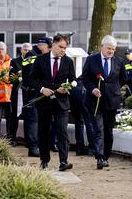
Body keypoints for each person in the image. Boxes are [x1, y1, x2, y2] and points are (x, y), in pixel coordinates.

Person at [29, 34, 76, 171]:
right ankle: (44, 161)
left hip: (61, 102)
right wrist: (42, 89)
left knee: (62, 131)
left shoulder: (68, 61)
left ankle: (63, 161)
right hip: (44, 102)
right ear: (53, 45)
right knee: (43, 132)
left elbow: (74, 80)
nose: (63, 50)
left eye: (65, 48)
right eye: (61, 47)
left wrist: (67, 88)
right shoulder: (40, 60)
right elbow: (31, 79)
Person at [81, 35, 126, 170]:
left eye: (113, 49)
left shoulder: (119, 61)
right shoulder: (91, 59)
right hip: (95, 101)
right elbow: (85, 77)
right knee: (98, 129)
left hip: (112, 101)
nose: (111, 51)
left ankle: (106, 156)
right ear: (102, 47)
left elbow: (123, 79)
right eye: (109, 49)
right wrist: (93, 88)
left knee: (108, 130)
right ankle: (99, 157)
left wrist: (113, 90)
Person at [21, 37, 52, 157]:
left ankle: (40, 144)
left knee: (40, 119)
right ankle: (32, 147)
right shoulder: (31, 55)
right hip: (31, 92)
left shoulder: (44, 55)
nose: (49, 49)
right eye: (47, 46)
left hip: (41, 92)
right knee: (32, 119)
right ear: (42, 45)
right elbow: (29, 75)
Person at [8, 43, 32, 147]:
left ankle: (29, 140)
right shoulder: (14, 61)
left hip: (29, 93)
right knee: (14, 116)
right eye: (25, 50)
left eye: (28, 50)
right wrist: (19, 78)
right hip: (17, 93)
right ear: (21, 51)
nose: (26, 51)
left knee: (29, 117)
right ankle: (12, 139)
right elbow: (11, 78)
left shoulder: (34, 61)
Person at [70, 76, 95, 156]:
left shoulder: (79, 78)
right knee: (89, 122)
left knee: (78, 122)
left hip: (74, 92)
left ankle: (79, 148)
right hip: (83, 93)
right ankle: (92, 148)